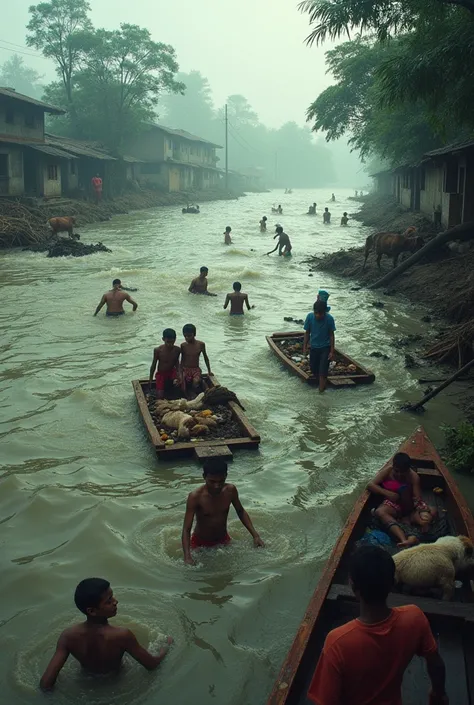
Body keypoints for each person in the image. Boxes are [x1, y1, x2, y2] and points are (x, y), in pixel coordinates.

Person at [308, 545, 448, 705]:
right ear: (391, 584)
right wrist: (438, 693)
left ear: (353, 587)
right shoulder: (414, 617)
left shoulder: (337, 643)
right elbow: (436, 662)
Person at [39, 578, 172, 691]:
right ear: (91, 611)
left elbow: (45, 684)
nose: (116, 601)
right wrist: (165, 647)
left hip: (85, 683)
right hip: (117, 682)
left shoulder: (67, 636)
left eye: (112, 596)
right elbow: (152, 665)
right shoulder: (122, 635)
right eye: (109, 601)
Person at [181, 459, 264, 565]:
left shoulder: (230, 490)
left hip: (223, 539)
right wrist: (187, 556)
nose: (217, 486)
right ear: (204, 477)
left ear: (226, 476)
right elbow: (186, 529)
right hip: (200, 543)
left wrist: (256, 536)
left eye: (221, 481)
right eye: (212, 481)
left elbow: (240, 511)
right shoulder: (195, 497)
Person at [368, 452, 434, 548]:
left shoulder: (413, 476)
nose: (399, 475)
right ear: (393, 466)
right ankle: (403, 539)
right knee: (380, 512)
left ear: (408, 470)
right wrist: (387, 493)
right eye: (396, 471)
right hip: (393, 505)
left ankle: (410, 524)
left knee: (426, 518)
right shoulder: (388, 471)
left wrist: (419, 517)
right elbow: (370, 485)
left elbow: (417, 499)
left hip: (410, 507)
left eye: (403, 473)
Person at [303, 299, 335, 393]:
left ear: (324, 312)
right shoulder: (309, 317)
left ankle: (321, 391)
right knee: (313, 368)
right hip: (314, 347)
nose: (318, 315)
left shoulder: (329, 319)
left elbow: (331, 335)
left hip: (325, 347)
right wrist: (304, 347)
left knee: (323, 369)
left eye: (320, 314)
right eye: (316, 313)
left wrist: (332, 351)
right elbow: (307, 333)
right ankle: (323, 383)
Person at [149, 328, 181, 399]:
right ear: (163, 339)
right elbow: (153, 365)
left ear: (175, 339)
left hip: (172, 373)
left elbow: (177, 363)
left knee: (177, 385)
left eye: (172, 342)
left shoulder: (177, 350)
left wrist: (179, 375)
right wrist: (150, 379)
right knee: (160, 395)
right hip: (161, 374)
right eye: (168, 342)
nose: (170, 344)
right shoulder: (158, 350)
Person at [180, 323, 211, 395]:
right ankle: (186, 396)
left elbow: (206, 358)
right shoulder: (183, 345)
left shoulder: (201, 344)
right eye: (185, 336)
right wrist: (180, 372)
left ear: (194, 334)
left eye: (189, 336)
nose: (187, 338)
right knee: (182, 384)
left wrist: (209, 371)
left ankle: (196, 392)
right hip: (185, 368)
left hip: (195, 369)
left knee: (196, 382)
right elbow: (182, 359)